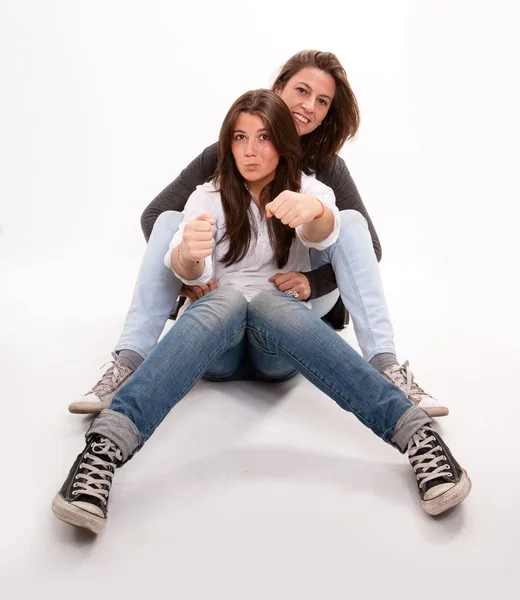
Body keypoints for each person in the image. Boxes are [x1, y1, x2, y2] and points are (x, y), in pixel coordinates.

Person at [53, 90, 471, 534]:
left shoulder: (310, 187)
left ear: (284, 143)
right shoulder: (206, 196)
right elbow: (183, 259)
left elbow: (330, 229)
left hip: (277, 348)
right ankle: (102, 451)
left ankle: (417, 437)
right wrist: (188, 262)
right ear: (227, 143)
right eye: (239, 138)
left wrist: (315, 213)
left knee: (273, 302)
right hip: (218, 347)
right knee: (227, 300)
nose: (250, 151)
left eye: (264, 138)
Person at [67, 50, 448, 417]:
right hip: (223, 300)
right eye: (302, 91)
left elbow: (366, 246)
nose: (309, 107)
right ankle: (129, 362)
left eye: (322, 101)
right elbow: (157, 217)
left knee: (348, 223)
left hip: (293, 297)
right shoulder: (221, 164)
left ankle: (385, 368)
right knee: (171, 221)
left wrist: (310, 282)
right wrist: (188, 270)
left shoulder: (324, 173)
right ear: (278, 88)